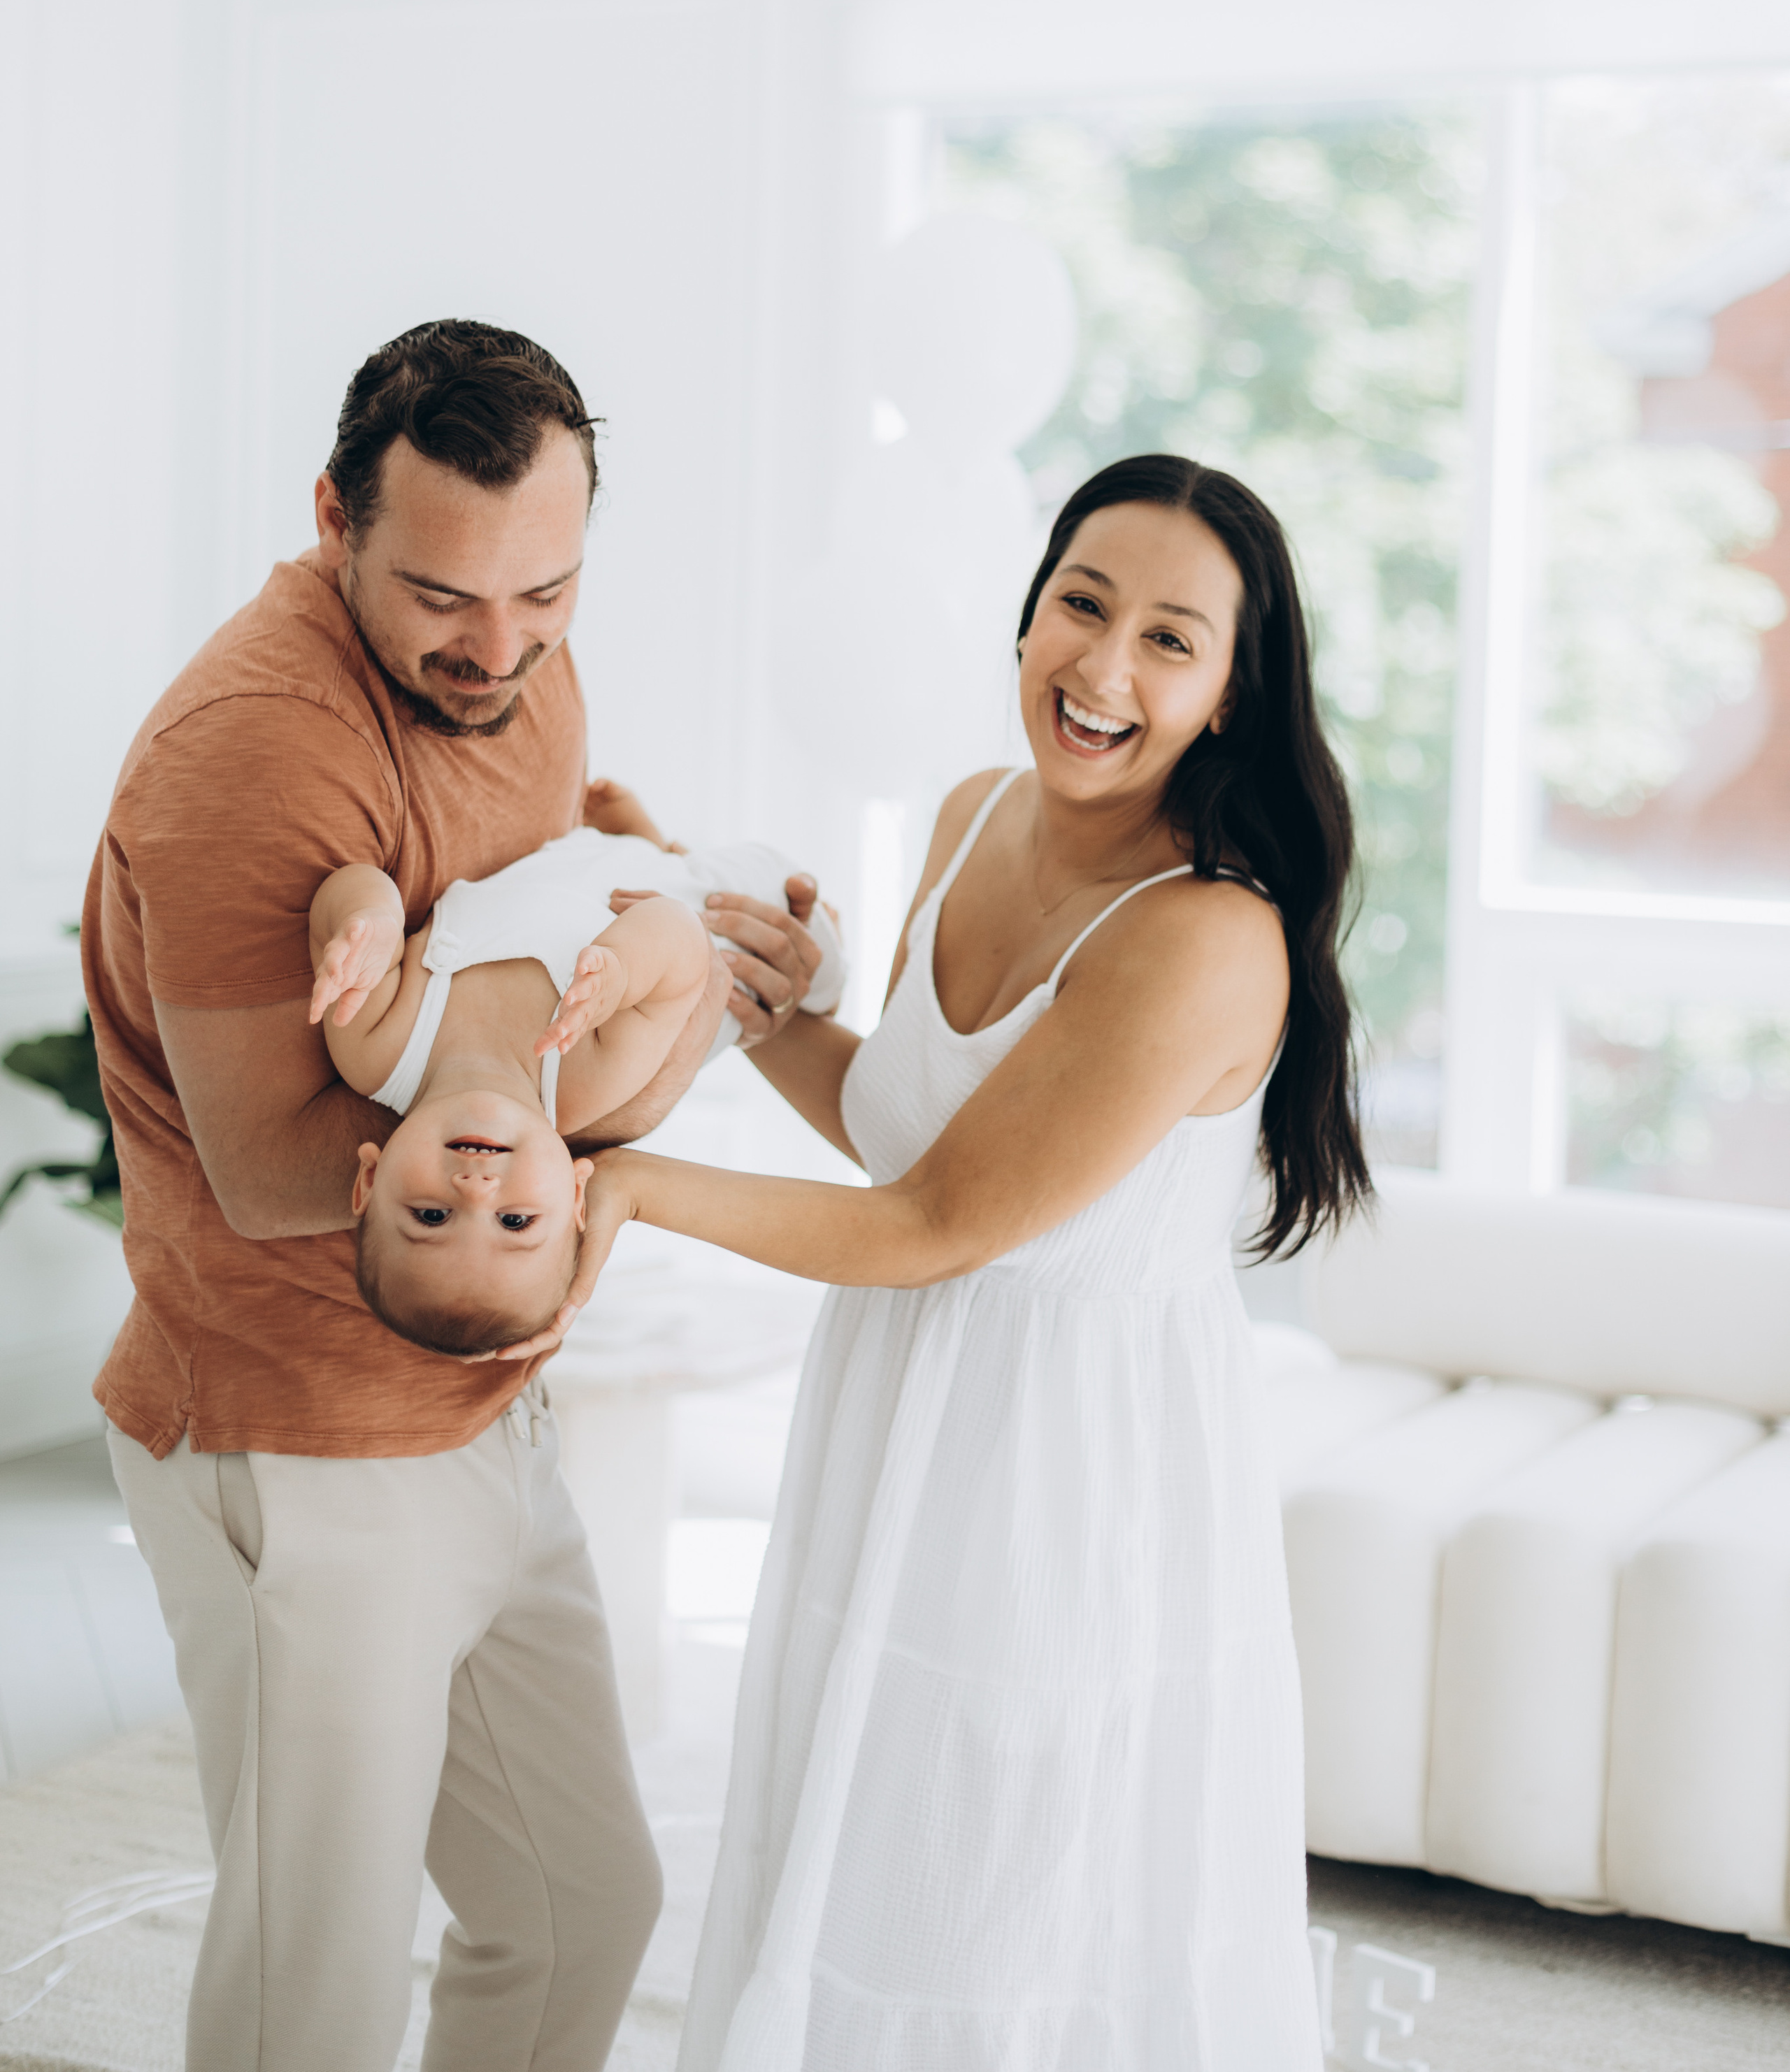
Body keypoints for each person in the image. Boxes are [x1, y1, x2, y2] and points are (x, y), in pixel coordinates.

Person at [569, 452, 1371, 2071]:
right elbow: (904, 1141)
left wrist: (638, 1181)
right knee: (844, 1845)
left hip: (1060, 1479)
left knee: (998, 1910)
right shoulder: (969, 811)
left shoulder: (1204, 935)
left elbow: (937, 1228)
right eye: (1080, 601)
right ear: (1025, 611)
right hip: (898, 1420)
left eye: (1167, 637)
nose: (1099, 665)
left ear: (1226, 694)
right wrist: (753, 988)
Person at [83, 319, 823, 2072]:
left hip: (480, 1401)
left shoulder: (518, 661)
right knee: (310, 1992)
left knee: (579, 1908)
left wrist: (688, 917)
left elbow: (541, 887)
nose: (498, 650)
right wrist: (686, 1025)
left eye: (546, 593)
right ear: (334, 514)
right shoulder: (254, 749)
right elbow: (277, 1174)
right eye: (441, 598)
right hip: (293, 1429)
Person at [311, 830, 847, 1356]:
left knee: (640, 846)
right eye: (515, 1222)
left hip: (585, 855)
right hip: (724, 918)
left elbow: (344, 890)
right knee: (800, 928)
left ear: (370, 1181)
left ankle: (645, 832)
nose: (475, 1191)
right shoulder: (587, 1081)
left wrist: (371, 918)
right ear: (574, 1195)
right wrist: (624, 972)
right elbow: (683, 943)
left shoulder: (373, 1046)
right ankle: (832, 981)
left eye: (431, 1217)